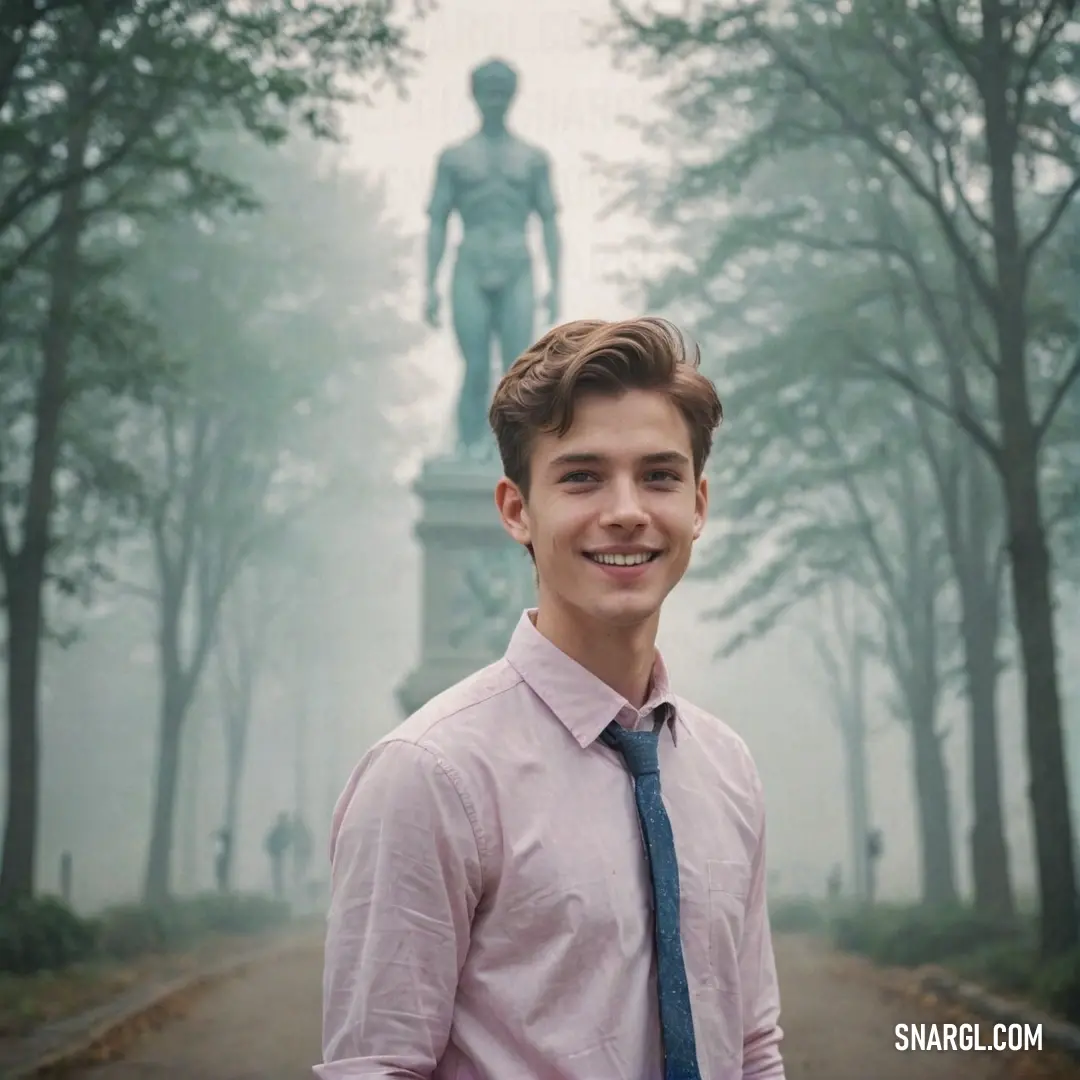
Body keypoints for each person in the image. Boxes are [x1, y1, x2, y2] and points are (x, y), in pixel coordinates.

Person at [318, 318, 785, 1079]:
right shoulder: (430, 777)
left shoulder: (726, 769)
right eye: (582, 476)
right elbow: (375, 1067)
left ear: (698, 504)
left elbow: (753, 1044)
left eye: (659, 476)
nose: (627, 509)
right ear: (515, 509)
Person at [265, 811, 291, 901]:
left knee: (279, 874)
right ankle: (278, 892)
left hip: (280, 855)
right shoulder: (279, 830)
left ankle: (279, 892)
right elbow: (269, 841)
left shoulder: (283, 830)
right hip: (278, 855)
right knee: (277, 874)